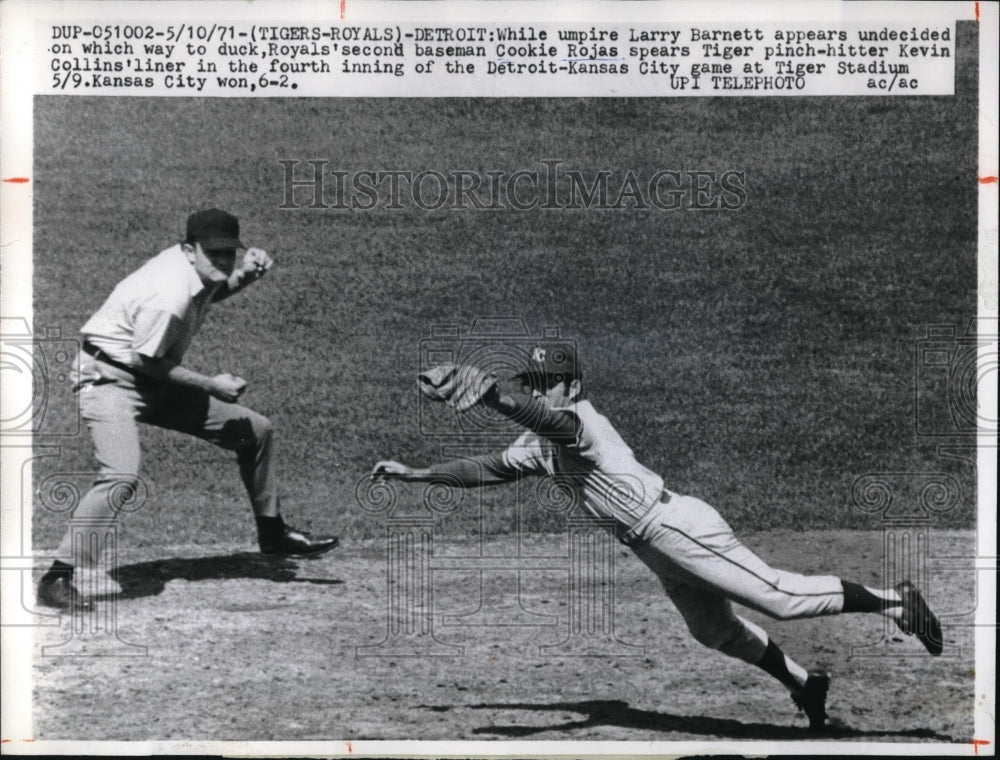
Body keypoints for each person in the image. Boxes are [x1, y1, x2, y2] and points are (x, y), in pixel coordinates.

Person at [372, 343, 943, 732]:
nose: (541, 393)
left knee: (780, 599)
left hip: (677, 528)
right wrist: (417, 474)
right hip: (653, 547)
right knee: (715, 631)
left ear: (571, 384)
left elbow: (549, 422)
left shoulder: (578, 423)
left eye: (548, 384)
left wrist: (496, 395)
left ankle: (896, 601)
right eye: (534, 385)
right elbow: (489, 469)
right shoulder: (539, 442)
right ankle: (805, 685)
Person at [37, 209, 339, 611]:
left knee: (256, 430)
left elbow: (210, 292)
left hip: (151, 379)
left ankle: (273, 533)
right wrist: (211, 384)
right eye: (213, 254)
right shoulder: (168, 294)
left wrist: (245, 277)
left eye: (229, 253)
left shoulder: (192, 271)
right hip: (108, 380)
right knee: (121, 474)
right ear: (187, 250)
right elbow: (147, 361)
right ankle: (57, 576)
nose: (222, 261)